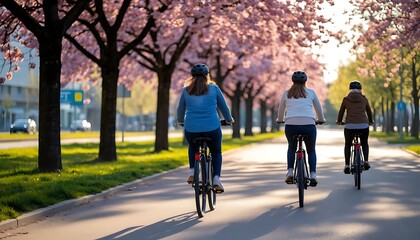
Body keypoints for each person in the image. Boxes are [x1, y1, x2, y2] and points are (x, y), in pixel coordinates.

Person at [177, 63, 234, 193]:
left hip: (191, 128)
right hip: (212, 127)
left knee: (193, 147)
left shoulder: (186, 90)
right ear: (207, 75)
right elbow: (223, 107)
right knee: (216, 152)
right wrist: (229, 119)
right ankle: (216, 179)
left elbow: (180, 109)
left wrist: (180, 121)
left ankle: (192, 171)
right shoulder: (214, 88)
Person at [276, 71, 325, 186]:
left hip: (291, 125)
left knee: (292, 148)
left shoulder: (287, 93)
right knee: (311, 150)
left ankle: (290, 172)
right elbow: (319, 109)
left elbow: (280, 110)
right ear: (305, 81)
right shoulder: (311, 92)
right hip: (309, 124)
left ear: (292, 81)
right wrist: (321, 120)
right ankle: (313, 174)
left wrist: (280, 119)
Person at [336, 80, 373, 174]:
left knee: (348, 144)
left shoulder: (346, 99)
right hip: (363, 125)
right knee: (364, 143)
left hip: (349, 126)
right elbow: (369, 111)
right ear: (360, 89)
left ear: (350, 89)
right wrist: (370, 121)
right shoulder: (364, 99)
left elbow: (341, 112)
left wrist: (339, 121)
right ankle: (366, 161)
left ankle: (347, 165)